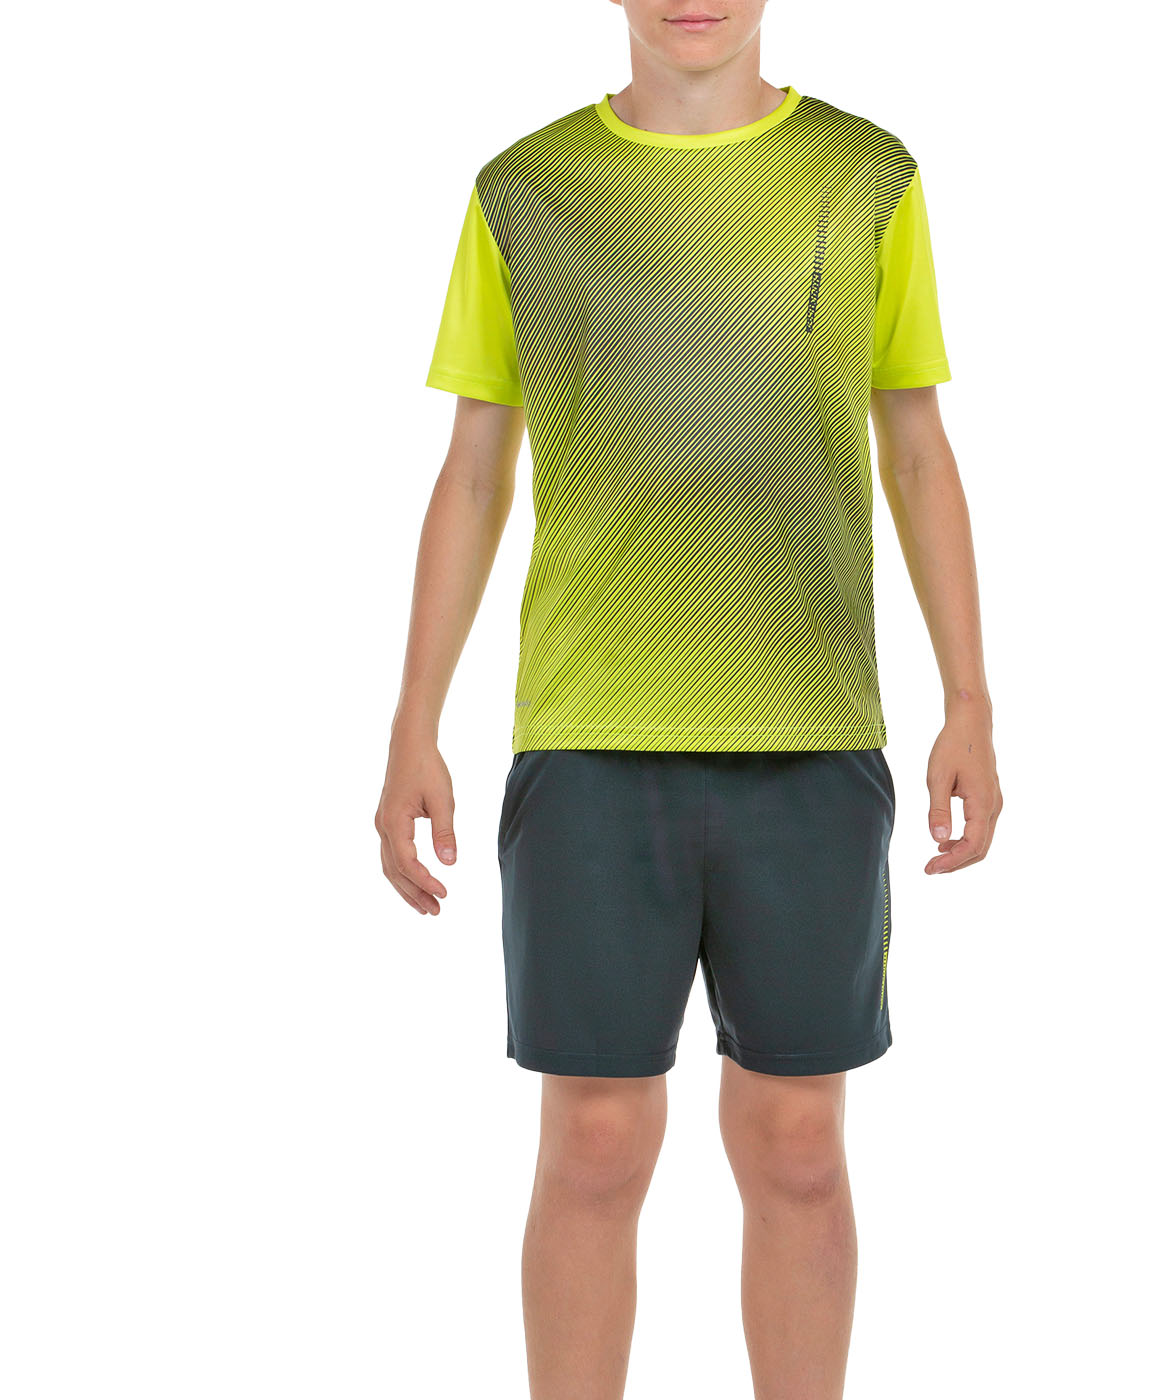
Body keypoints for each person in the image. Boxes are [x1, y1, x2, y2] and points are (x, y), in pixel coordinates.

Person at [374, 2, 1002, 1394]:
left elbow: (914, 440)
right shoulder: (526, 191)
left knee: (797, 1143)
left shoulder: (868, 175)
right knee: (595, 1142)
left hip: (808, 727)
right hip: (592, 733)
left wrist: (969, 697)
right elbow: (474, 470)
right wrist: (415, 718)